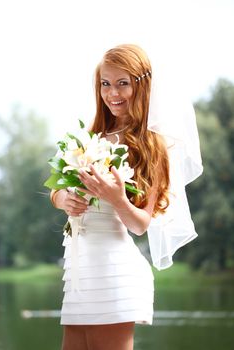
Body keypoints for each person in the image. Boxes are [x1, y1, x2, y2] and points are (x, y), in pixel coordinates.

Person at [50, 44, 202, 350]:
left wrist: (117, 198)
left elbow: (141, 225)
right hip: (79, 269)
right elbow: (57, 189)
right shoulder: (90, 137)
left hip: (114, 272)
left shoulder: (154, 145)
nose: (112, 93)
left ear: (141, 84)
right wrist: (63, 198)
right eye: (105, 83)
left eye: (123, 83)